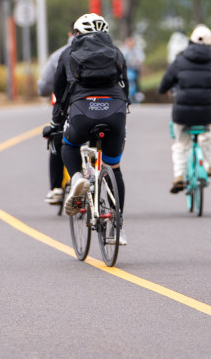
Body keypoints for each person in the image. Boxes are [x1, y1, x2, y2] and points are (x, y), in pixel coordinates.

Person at [52, 13, 129, 244]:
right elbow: (126, 86)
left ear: (77, 33)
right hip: (114, 111)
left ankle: (76, 178)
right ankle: (117, 228)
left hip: (82, 111)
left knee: (69, 145)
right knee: (114, 167)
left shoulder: (68, 53)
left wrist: (56, 122)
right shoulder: (116, 52)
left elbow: (58, 91)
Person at [158, 24, 211, 194]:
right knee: (209, 133)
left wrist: (166, 90)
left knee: (181, 144)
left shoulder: (179, 60)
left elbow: (164, 84)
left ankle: (179, 176)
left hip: (182, 114)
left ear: (190, 41)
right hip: (206, 113)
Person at [38, 30, 74, 205]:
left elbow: (44, 87)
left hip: (67, 109)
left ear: (70, 33)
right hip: (106, 108)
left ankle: (56, 189)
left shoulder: (60, 55)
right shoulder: (110, 52)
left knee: (56, 137)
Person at [120, 36, 144, 102]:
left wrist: (136, 62)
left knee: (136, 83)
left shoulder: (137, 50)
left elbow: (141, 59)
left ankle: (138, 94)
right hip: (126, 70)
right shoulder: (124, 50)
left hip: (134, 69)